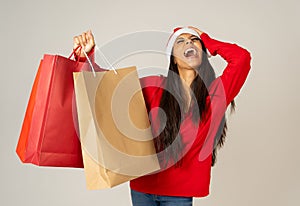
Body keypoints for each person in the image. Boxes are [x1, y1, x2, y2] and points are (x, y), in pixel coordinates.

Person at [73, 26, 251, 206]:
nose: (188, 42)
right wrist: (85, 57)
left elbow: (242, 58)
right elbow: (109, 90)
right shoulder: (154, 86)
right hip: (142, 188)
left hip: (180, 194)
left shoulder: (215, 95)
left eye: (194, 40)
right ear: (173, 58)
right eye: (180, 41)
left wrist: (207, 39)